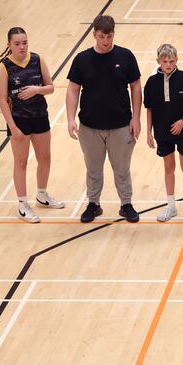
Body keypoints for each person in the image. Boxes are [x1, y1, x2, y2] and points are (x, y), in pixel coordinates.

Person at [66, 15, 141, 223]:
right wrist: (70, 118)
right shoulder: (82, 59)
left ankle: (126, 204)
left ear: (113, 34)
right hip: (90, 127)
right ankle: (93, 204)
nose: (105, 41)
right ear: (94, 35)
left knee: (122, 169)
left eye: (109, 36)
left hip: (121, 126)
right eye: (101, 36)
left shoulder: (126, 57)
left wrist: (136, 118)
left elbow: (136, 86)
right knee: (93, 168)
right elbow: (73, 90)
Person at [0, 27, 63, 222]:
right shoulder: (3, 68)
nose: (22, 47)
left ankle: (42, 195)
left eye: (24, 42)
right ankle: (22, 205)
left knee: (45, 158)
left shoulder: (37, 59)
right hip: (18, 120)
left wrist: (37, 89)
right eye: (17, 44)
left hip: (40, 116)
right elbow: (1, 100)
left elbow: (50, 88)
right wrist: (13, 127)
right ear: (9, 45)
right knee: (21, 162)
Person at [143, 43, 183, 222]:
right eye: (164, 61)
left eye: (171, 61)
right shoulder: (152, 83)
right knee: (169, 167)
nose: (168, 64)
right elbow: (149, 108)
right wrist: (148, 132)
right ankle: (171, 206)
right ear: (158, 61)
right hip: (162, 132)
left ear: (176, 60)